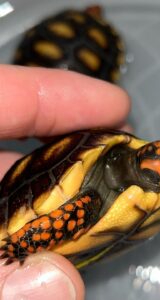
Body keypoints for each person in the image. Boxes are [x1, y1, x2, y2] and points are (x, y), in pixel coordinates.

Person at [0, 64, 131, 299]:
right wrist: (22, 245)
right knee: (86, 206)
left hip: (93, 250)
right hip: (37, 225)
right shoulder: (89, 199)